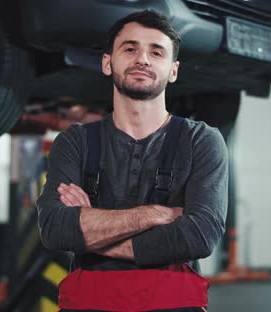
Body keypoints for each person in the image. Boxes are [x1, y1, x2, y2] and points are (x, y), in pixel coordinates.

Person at [36, 10, 228, 312]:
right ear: (107, 62)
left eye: (156, 51)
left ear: (173, 70)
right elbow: (55, 229)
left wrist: (90, 232)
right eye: (130, 48)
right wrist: (154, 214)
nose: (143, 59)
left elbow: (199, 236)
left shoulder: (201, 141)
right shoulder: (75, 141)